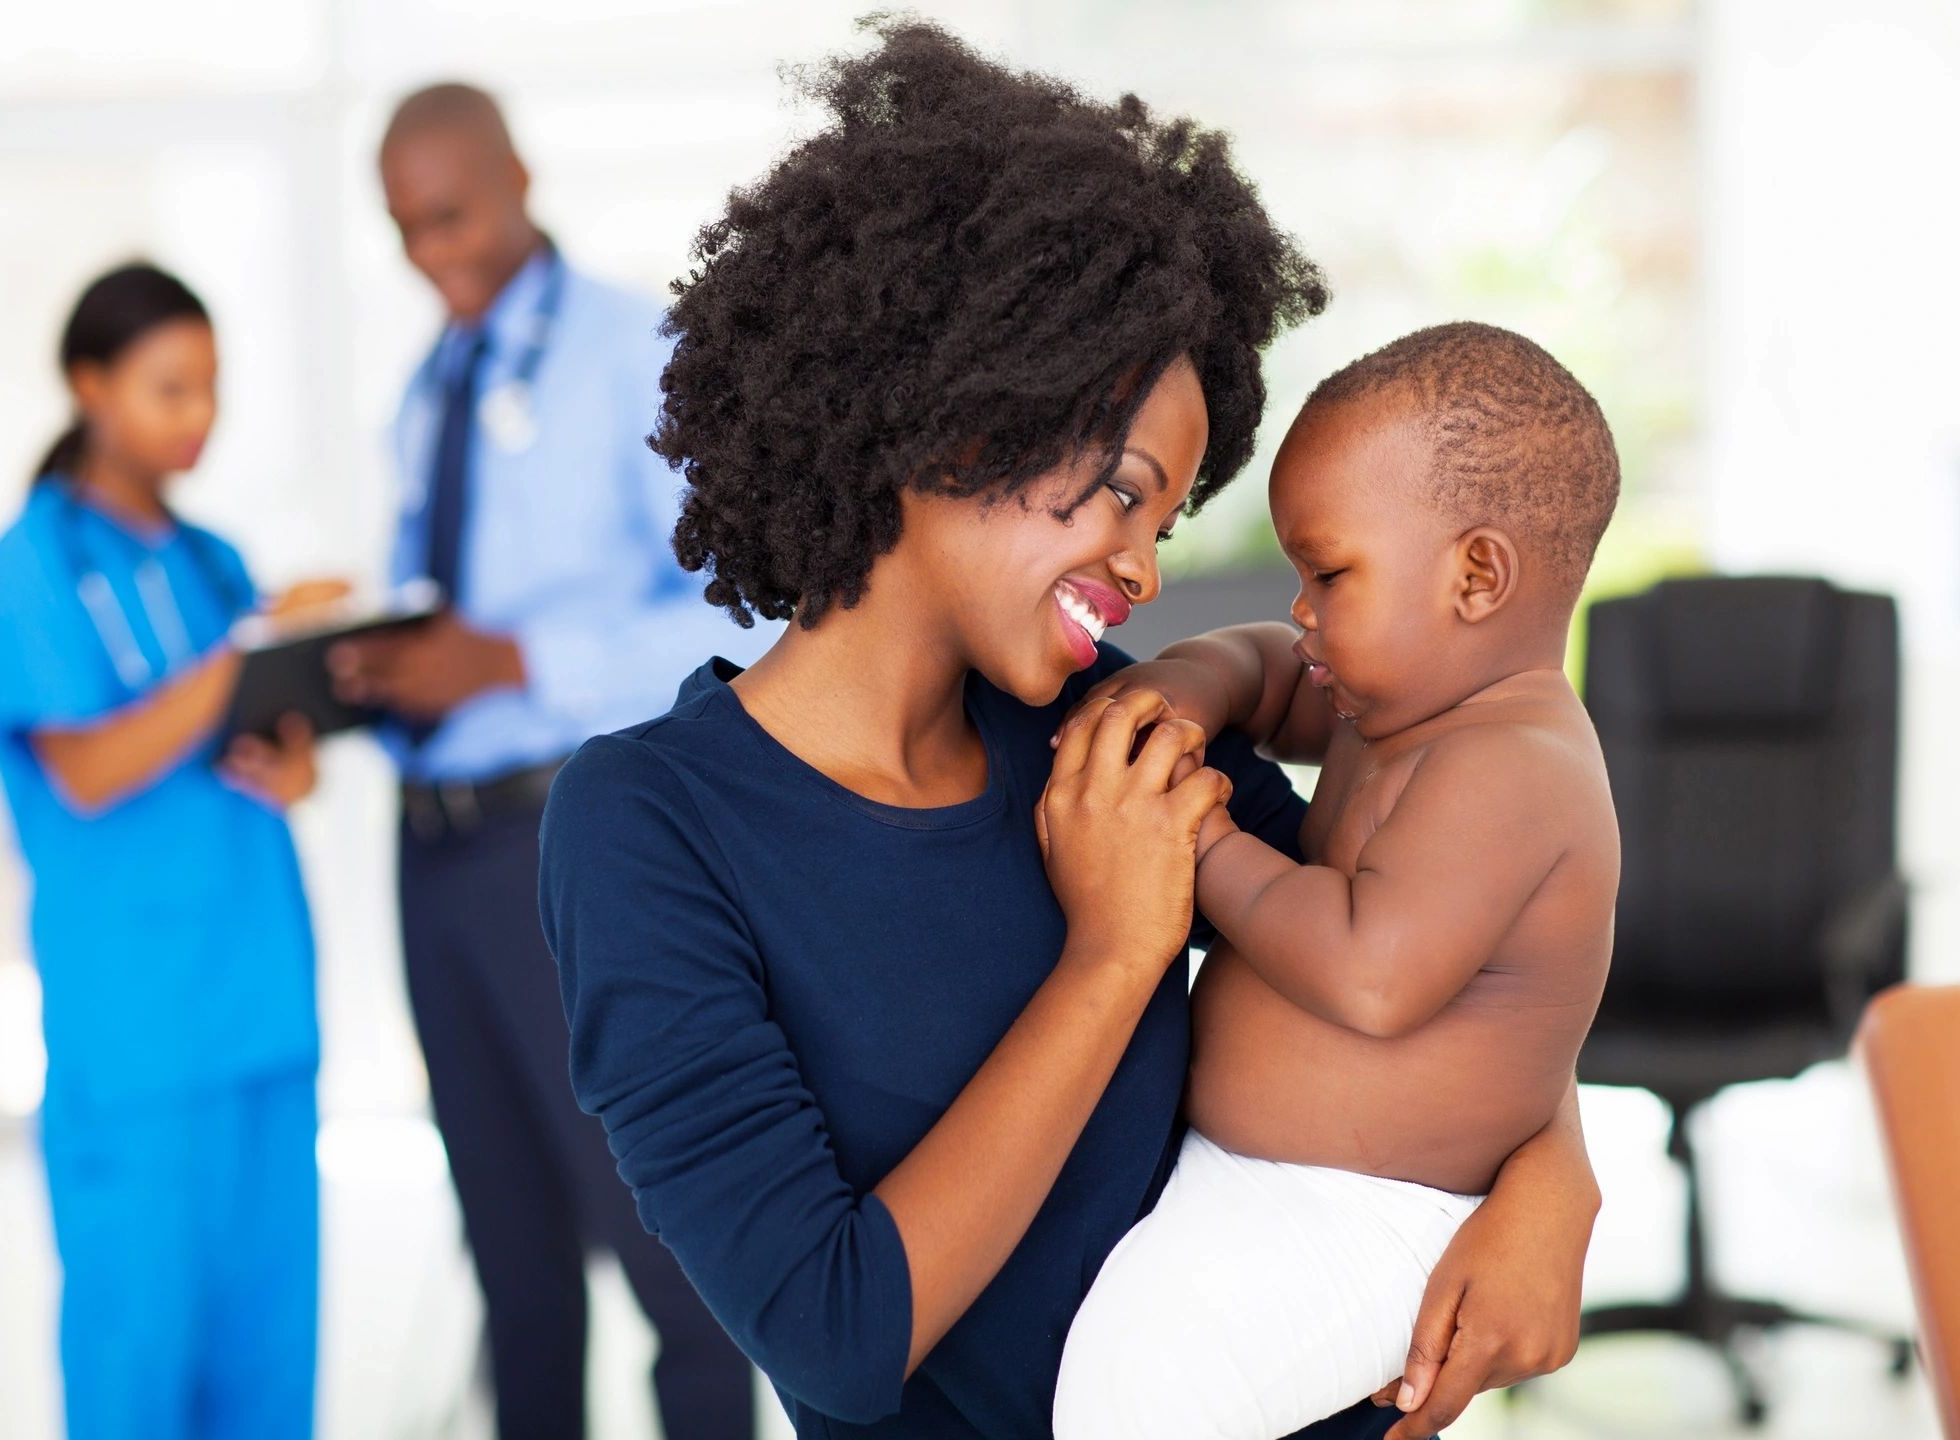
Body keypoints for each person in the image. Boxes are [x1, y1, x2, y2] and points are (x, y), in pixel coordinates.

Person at [538, 25, 1601, 1440]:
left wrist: (1558, 1179)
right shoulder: (648, 829)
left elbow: (1431, 955)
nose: (1147, 570)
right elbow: (838, 1333)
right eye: (1120, 491)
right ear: (954, 414)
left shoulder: (1107, 729)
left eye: (1164, 520)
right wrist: (1113, 955)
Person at [1051, 322, 1622, 1439]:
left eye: (1330, 572)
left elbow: (1372, 974)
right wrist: (1185, 686)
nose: (1302, 606)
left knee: (1136, 1395)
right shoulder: (1398, 696)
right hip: (1260, 1177)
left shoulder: (1512, 767)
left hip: (1377, 1214)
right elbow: (1269, 664)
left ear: (1475, 575)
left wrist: (1194, 840)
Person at [328, 82, 761, 1440]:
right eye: (403, 230)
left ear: (519, 174)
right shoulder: (430, 385)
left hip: (564, 842)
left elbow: (742, 610)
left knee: (658, 1244)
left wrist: (514, 661)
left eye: (449, 215)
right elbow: (442, 609)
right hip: (433, 847)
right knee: (508, 1252)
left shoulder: (637, 353)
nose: (430, 254)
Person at [0, 262, 335, 1439]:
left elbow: (254, 748)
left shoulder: (212, 560)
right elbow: (85, 767)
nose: (199, 419)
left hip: (260, 1015)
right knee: (139, 1366)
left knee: (271, 1369)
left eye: (212, 390)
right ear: (89, 386)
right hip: (137, 1041)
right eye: (169, 389)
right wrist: (245, 654)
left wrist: (297, 747)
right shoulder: (30, 568)